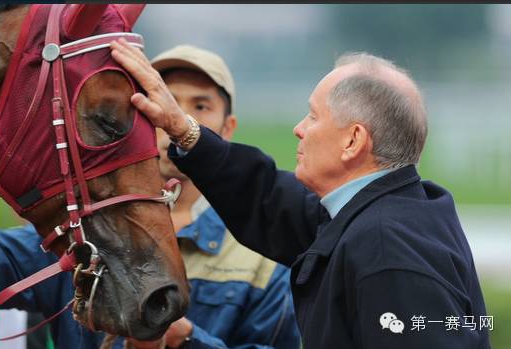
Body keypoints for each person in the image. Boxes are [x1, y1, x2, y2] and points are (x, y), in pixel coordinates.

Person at [110, 39, 491, 349]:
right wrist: (184, 130)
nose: (298, 129)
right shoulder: (372, 216)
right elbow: (269, 198)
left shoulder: (385, 248)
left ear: (353, 140)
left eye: (312, 116)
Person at [0, 45, 300, 349]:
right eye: (161, 100)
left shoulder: (263, 255)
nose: (173, 118)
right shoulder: (87, 229)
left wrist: (188, 341)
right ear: (136, 116)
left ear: (227, 128)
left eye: (201, 107)